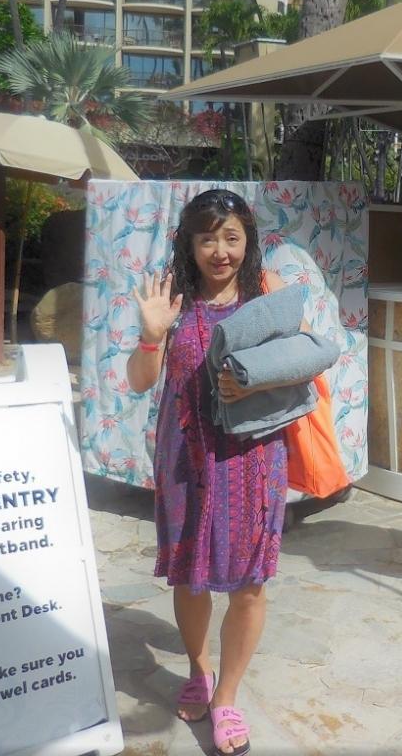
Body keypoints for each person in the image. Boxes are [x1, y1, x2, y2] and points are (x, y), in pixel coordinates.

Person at [127, 189, 317, 756]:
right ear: (189, 243)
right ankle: (199, 669)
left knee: (249, 584)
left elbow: (303, 364)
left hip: (252, 457)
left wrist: (255, 382)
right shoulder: (173, 297)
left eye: (231, 238)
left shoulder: (268, 292)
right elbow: (139, 381)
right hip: (185, 455)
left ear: (248, 241)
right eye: (207, 238)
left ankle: (227, 697)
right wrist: (151, 336)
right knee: (190, 577)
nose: (220, 252)